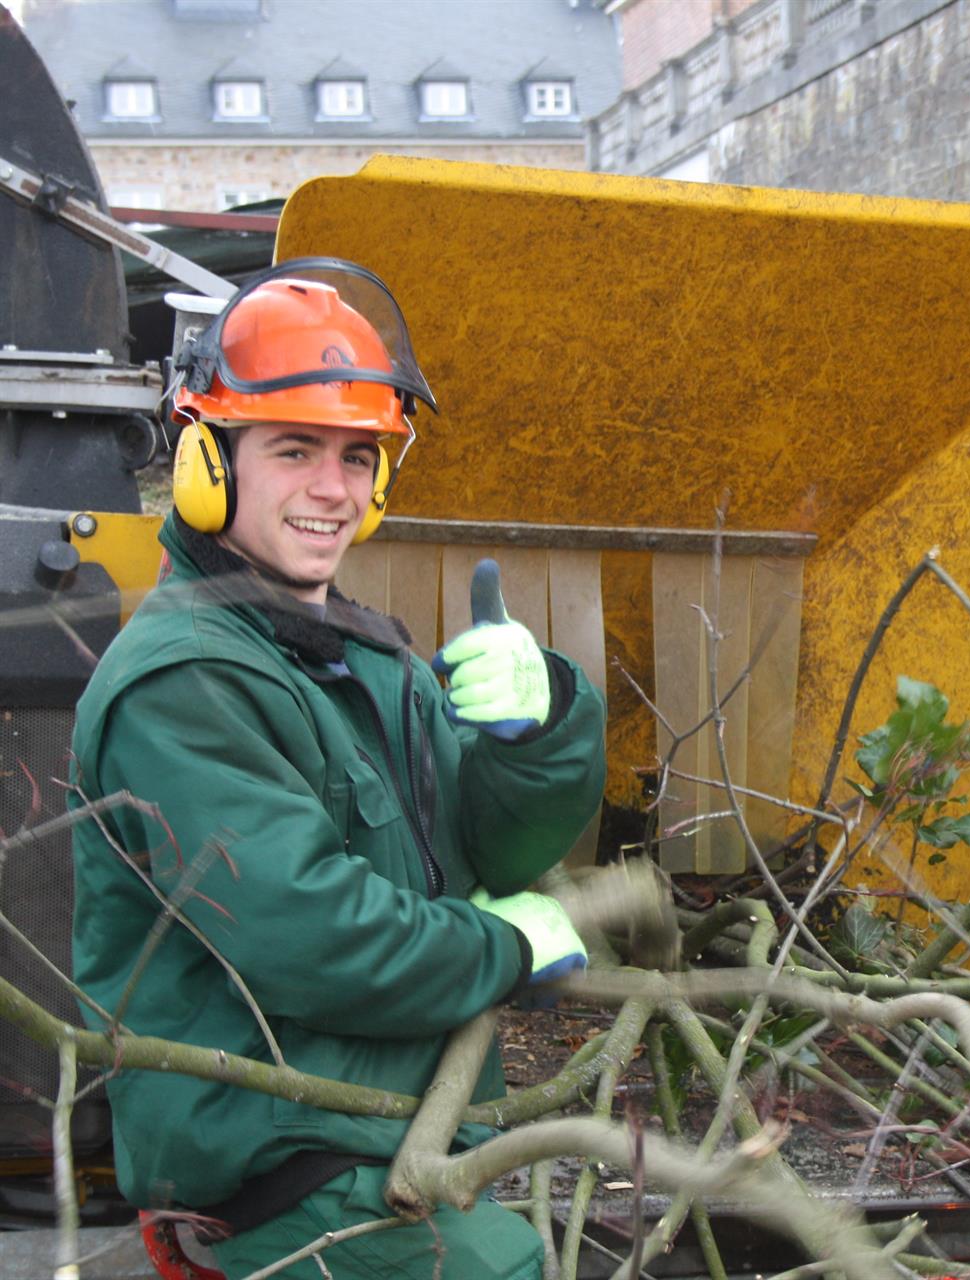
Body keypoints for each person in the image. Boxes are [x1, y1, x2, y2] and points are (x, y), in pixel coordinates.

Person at [68, 258, 607, 1280]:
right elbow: (311, 933)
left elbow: (498, 845)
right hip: (289, 1183)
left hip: (395, 1143)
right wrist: (501, 947)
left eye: (359, 456)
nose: (334, 487)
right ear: (207, 463)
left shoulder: (365, 655)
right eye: (295, 449)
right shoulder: (187, 680)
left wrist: (543, 729)